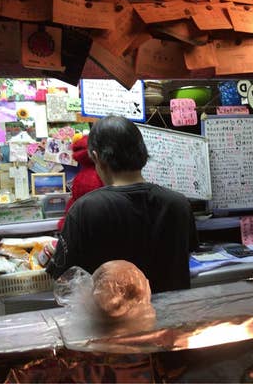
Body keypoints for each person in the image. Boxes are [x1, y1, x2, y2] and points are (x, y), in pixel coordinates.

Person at [47, 115, 198, 293]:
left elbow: (64, 278)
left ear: (96, 157)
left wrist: (52, 253)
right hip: (174, 316)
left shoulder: (85, 209)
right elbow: (185, 256)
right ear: (142, 153)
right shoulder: (179, 203)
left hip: (113, 318)